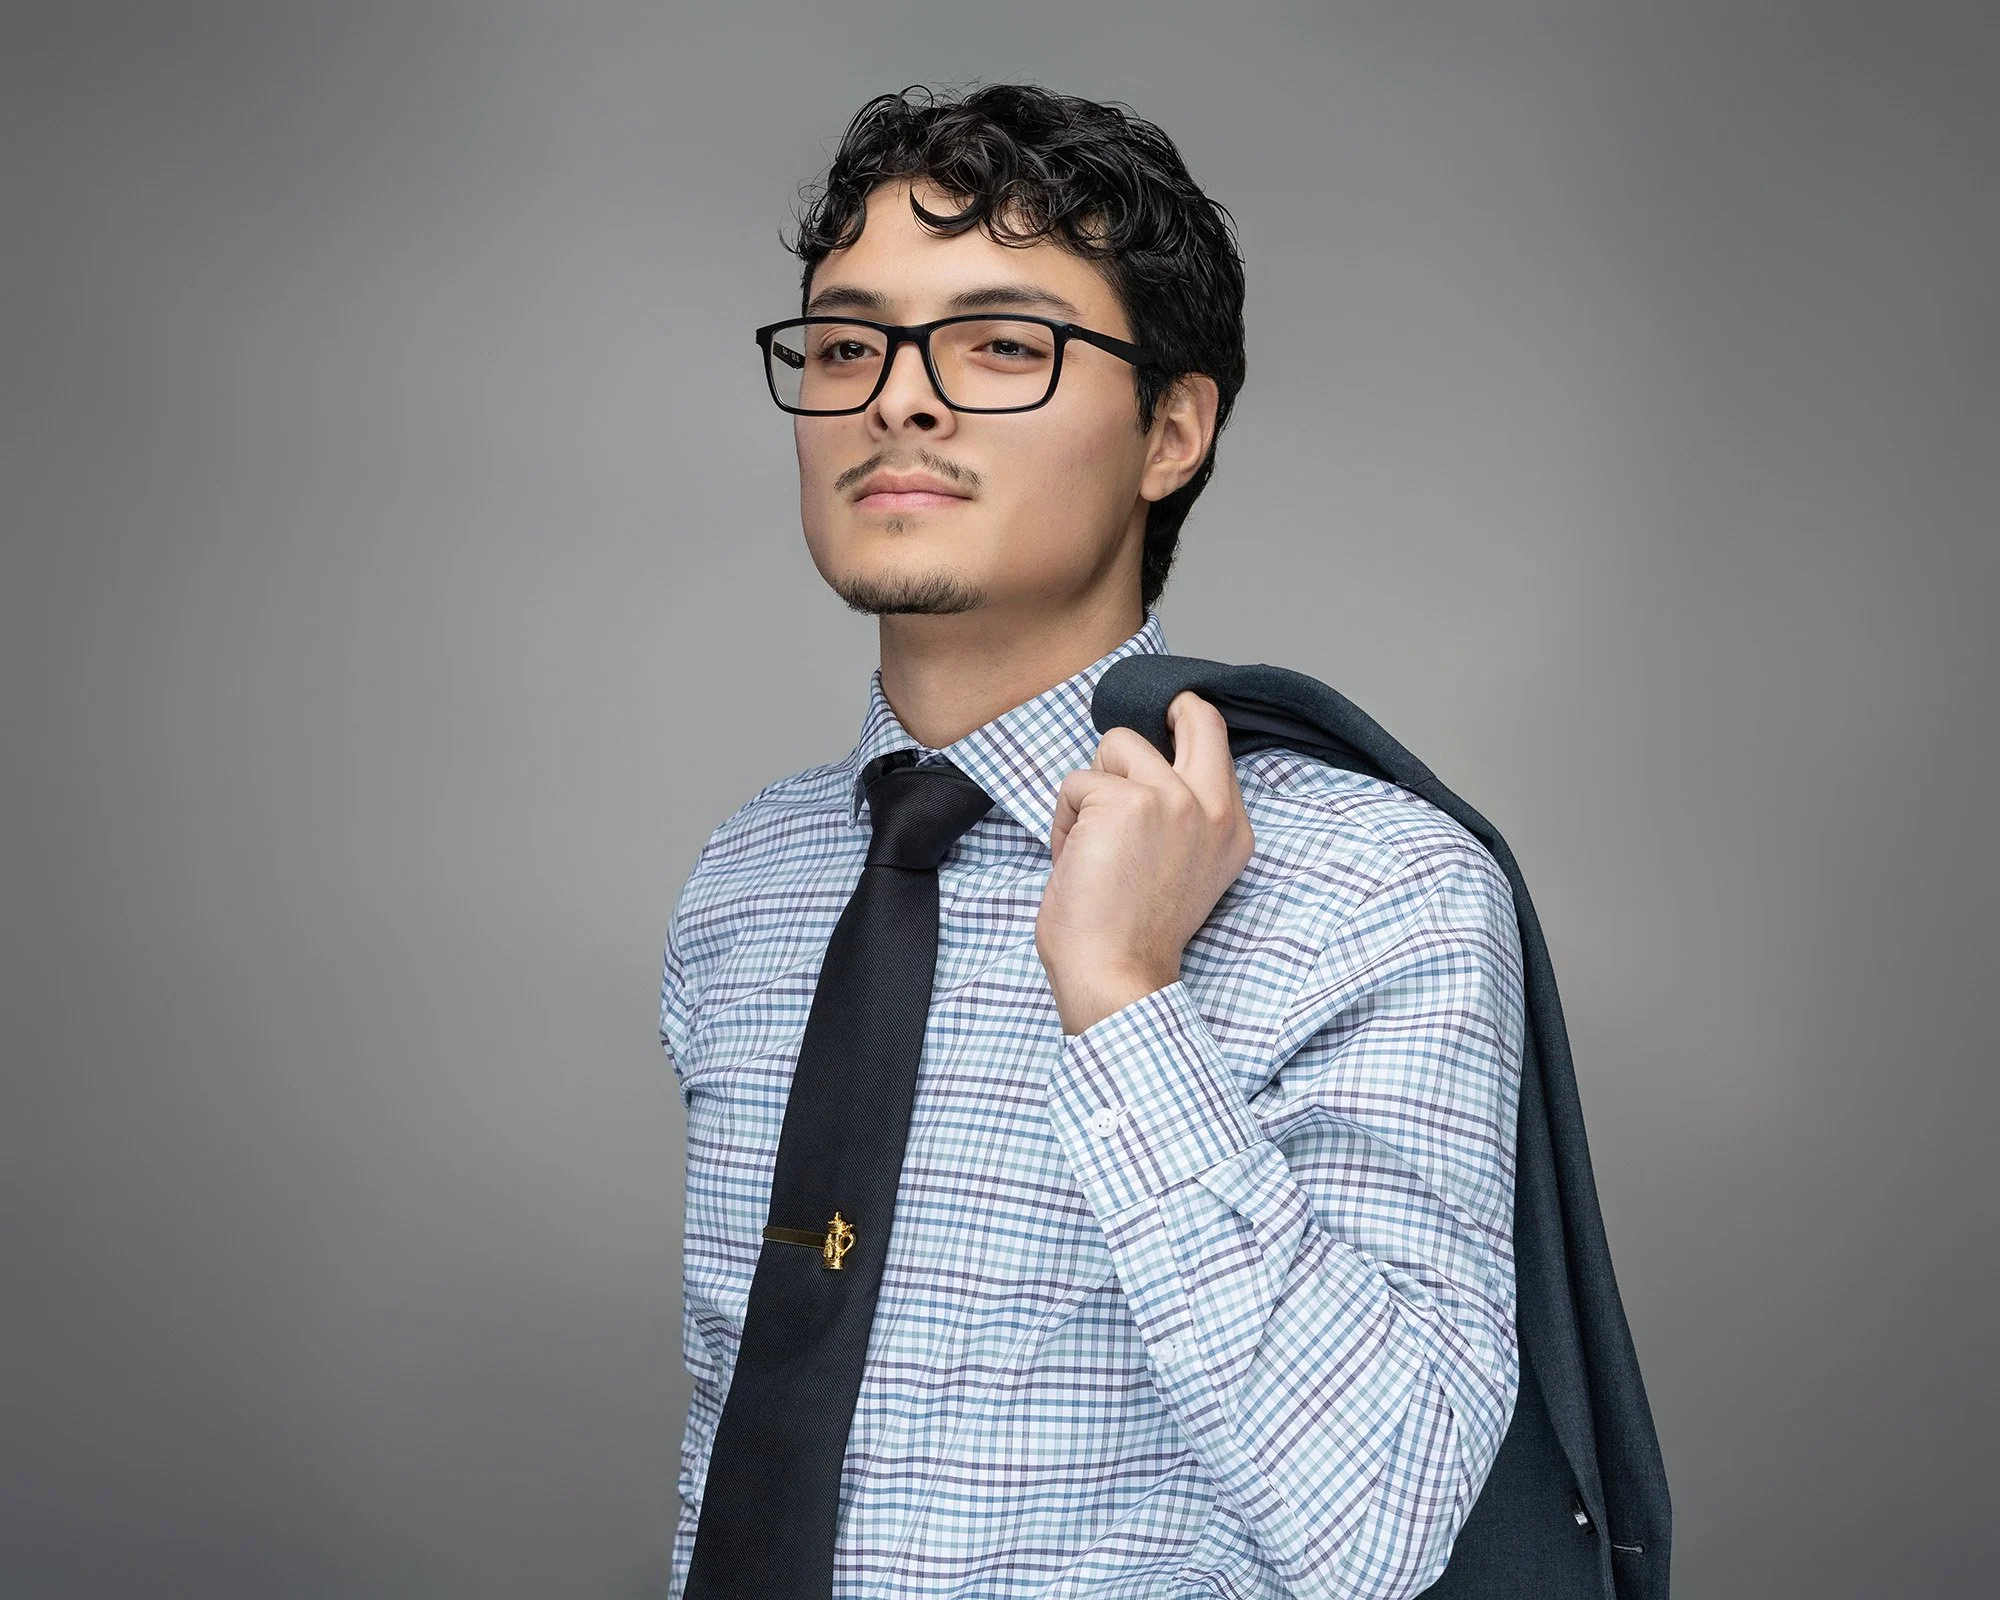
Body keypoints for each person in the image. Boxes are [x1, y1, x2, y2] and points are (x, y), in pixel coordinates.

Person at [658, 83, 1526, 1600]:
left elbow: (1385, 1523)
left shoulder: (1381, 894)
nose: (897, 400)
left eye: (1001, 343)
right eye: (849, 343)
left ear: (1170, 432)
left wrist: (1127, 997)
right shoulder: (751, 882)